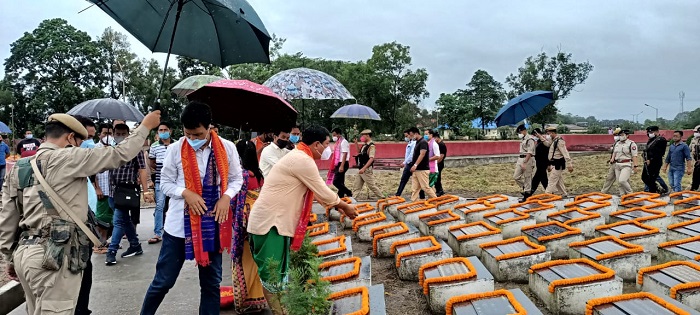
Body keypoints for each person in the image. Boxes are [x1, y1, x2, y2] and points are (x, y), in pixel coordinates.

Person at [0, 111, 160, 315]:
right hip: (54, 257)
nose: (79, 146)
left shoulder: (19, 168)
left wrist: (9, 257)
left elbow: (7, 219)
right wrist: (145, 126)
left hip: (25, 253)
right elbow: (119, 154)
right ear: (69, 138)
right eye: (79, 141)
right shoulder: (69, 157)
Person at [141, 101, 243, 315]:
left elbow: (236, 179)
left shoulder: (227, 148)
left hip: (212, 225)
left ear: (209, 128)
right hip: (178, 227)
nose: (193, 139)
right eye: (188, 134)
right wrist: (186, 193)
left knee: (211, 285)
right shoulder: (176, 149)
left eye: (198, 134)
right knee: (163, 281)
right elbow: (166, 182)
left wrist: (226, 197)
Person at [246, 125, 358, 315]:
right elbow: (322, 190)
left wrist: (332, 204)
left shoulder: (298, 156)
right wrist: (345, 206)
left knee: (276, 276)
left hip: (273, 223)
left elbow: (317, 193)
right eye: (326, 144)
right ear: (316, 145)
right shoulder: (301, 159)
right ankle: (279, 313)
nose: (327, 149)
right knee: (272, 277)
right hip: (270, 224)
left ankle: (281, 311)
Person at [106, 123, 154, 265]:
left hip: (128, 190)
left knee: (119, 221)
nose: (120, 136)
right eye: (117, 134)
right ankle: (135, 245)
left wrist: (145, 190)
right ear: (113, 134)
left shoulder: (135, 149)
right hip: (114, 190)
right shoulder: (111, 149)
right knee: (125, 220)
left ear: (128, 134)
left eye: (123, 134)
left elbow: (142, 170)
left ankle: (112, 251)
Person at [231, 140, 267, 313]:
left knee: (244, 259)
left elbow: (234, 201)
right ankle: (257, 300)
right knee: (256, 260)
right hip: (259, 222)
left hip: (244, 224)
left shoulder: (242, 175)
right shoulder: (259, 174)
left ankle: (245, 301)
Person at [147, 122, 173, 244]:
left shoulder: (177, 144)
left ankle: (174, 231)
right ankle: (158, 232)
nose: (163, 132)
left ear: (170, 131)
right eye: (160, 130)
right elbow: (151, 163)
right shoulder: (154, 146)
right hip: (160, 181)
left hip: (174, 181)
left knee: (175, 205)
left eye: (165, 129)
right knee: (160, 206)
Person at [543, 126, 573, 196]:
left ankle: (547, 194)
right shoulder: (553, 141)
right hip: (554, 163)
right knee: (559, 181)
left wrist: (569, 164)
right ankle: (562, 193)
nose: (548, 135)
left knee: (551, 180)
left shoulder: (560, 141)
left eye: (549, 133)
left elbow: (565, 153)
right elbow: (548, 145)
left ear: (553, 133)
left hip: (558, 164)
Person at [353, 129, 383, 199]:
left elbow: (371, 158)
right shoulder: (364, 145)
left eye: (363, 135)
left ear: (367, 135)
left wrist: (364, 168)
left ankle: (383, 198)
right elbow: (359, 153)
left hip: (366, 169)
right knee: (357, 185)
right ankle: (353, 199)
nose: (361, 137)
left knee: (371, 186)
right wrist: (356, 143)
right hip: (361, 168)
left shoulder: (371, 146)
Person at [410, 128, 437, 201]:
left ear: (416, 134)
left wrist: (415, 165)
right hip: (416, 169)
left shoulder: (423, 142)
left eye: (412, 135)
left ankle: (436, 201)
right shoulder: (418, 142)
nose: (411, 137)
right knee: (415, 188)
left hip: (422, 169)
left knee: (425, 187)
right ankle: (413, 202)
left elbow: (422, 154)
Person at [608, 129, 639, 195]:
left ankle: (630, 193)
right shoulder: (617, 143)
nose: (620, 136)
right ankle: (622, 196)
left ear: (627, 135)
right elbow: (614, 152)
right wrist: (612, 159)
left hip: (626, 164)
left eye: (622, 135)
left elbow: (634, 156)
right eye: (620, 135)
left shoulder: (631, 144)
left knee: (622, 180)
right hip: (617, 164)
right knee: (619, 183)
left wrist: (635, 166)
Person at [641, 126, 668, 194]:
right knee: (644, 177)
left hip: (655, 162)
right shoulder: (651, 140)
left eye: (651, 132)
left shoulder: (661, 140)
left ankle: (654, 191)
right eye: (649, 132)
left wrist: (651, 159)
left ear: (656, 132)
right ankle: (656, 188)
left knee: (652, 178)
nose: (649, 134)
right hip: (647, 162)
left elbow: (660, 153)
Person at [327, 128, 352, 198]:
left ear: (338, 134)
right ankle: (341, 197)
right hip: (338, 163)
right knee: (341, 182)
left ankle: (348, 192)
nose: (333, 136)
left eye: (334, 135)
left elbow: (345, 154)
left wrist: (342, 166)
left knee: (336, 182)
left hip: (342, 163)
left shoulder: (343, 142)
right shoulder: (338, 142)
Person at [514, 124, 536, 201]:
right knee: (516, 177)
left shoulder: (530, 139)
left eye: (520, 132)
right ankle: (527, 189)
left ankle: (526, 195)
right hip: (520, 158)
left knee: (527, 177)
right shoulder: (523, 139)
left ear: (524, 131)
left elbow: (530, 152)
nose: (519, 134)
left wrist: (525, 162)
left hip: (528, 159)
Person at [419, 129, 441, 199]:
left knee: (429, 186)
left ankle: (434, 200)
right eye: (424, 134)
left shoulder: (434, 144)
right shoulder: (427, 143)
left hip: (433, 169)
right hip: (427, 168)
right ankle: (432, 200)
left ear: (431, 135)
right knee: (429, 186)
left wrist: (427, 159)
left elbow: (437, 156)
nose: (425, 136)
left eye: (426, 134)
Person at [395, 128, 417, 196]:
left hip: (412, 164)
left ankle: (421, 196)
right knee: (403, 180)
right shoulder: (409, 143)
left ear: (410, 135)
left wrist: (404, 162)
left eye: (407, 136)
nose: (406, 138)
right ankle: (398, 194)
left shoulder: (414, 143)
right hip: (408, 164)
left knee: (417, 181)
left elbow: (411, 155)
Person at [602, 128, 622, 194]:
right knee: (609, 178)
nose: (615, 136)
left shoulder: (625, 143)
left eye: (617, 135)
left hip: (620, 164)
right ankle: (603, 192)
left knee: (621, 181)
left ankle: (625, 194)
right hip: (613, 163)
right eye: (614, 135)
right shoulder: (615, 143)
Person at [531, 128, 549, 195]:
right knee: (543, 178)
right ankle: (549, 191)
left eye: (534, 135)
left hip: (543, 163)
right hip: (539, 163)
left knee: (537, 178)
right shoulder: (539, 141)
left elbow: (547, 153)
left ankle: (529, 192)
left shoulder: (544, 141)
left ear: (537, 134)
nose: (533, 136)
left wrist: (548, 164)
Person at [434, 132, 447, 196]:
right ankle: (439, 190)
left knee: (437, 178)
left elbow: (441, 156)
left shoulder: (441, 144)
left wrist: (436, 163)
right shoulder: (438, 144)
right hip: (437, 163)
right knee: (436, 178)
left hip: (439, 164)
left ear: (436, 137)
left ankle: (440, 191)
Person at [691, 126, 700, 190]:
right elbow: (690, 149)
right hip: (697, 162)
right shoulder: (694, 139)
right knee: (695, 177)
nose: (696, 133)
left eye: (697, 132)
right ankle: (694, 189)